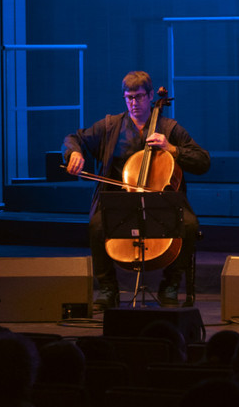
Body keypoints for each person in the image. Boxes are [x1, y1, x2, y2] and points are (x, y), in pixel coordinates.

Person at [63, 70, 211, 308]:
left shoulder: (169, 128)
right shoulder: (111, 126)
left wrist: (172, 148)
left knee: (190, 225)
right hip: (123, 202)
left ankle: (170, 286)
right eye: (129, 97)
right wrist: (75, 153)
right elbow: (74, 138)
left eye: (139, 97)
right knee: (97, 224)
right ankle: (108, 289)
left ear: (151, 96)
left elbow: (203, 161)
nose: (134, 103)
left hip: (162, 201)